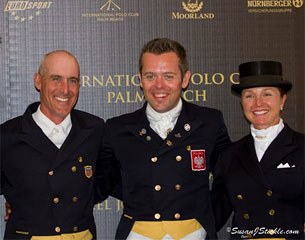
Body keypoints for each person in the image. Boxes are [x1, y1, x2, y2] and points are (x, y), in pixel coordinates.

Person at [97, 38, 231, 240]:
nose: (159, 85)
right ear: (140, 79)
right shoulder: (117, 128)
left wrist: (205, 222)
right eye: (150, 76)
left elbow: (230, 180)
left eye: (168, 76)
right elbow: (103, 183)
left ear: (185, 79)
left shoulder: (209, 122)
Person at [0, 50, 108, 240]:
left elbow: (108, 181)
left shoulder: (95, 129)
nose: (65, 89)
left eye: (72, 80)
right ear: (38, 81)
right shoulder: (7, 135)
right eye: (56, 79)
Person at [211, 61, 304, 239]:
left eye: (267, 94)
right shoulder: (229, 155)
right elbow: (214, 214)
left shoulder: (302, 147)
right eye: (249, 96)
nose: (258, 103)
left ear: (282, 100)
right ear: (241, 103)